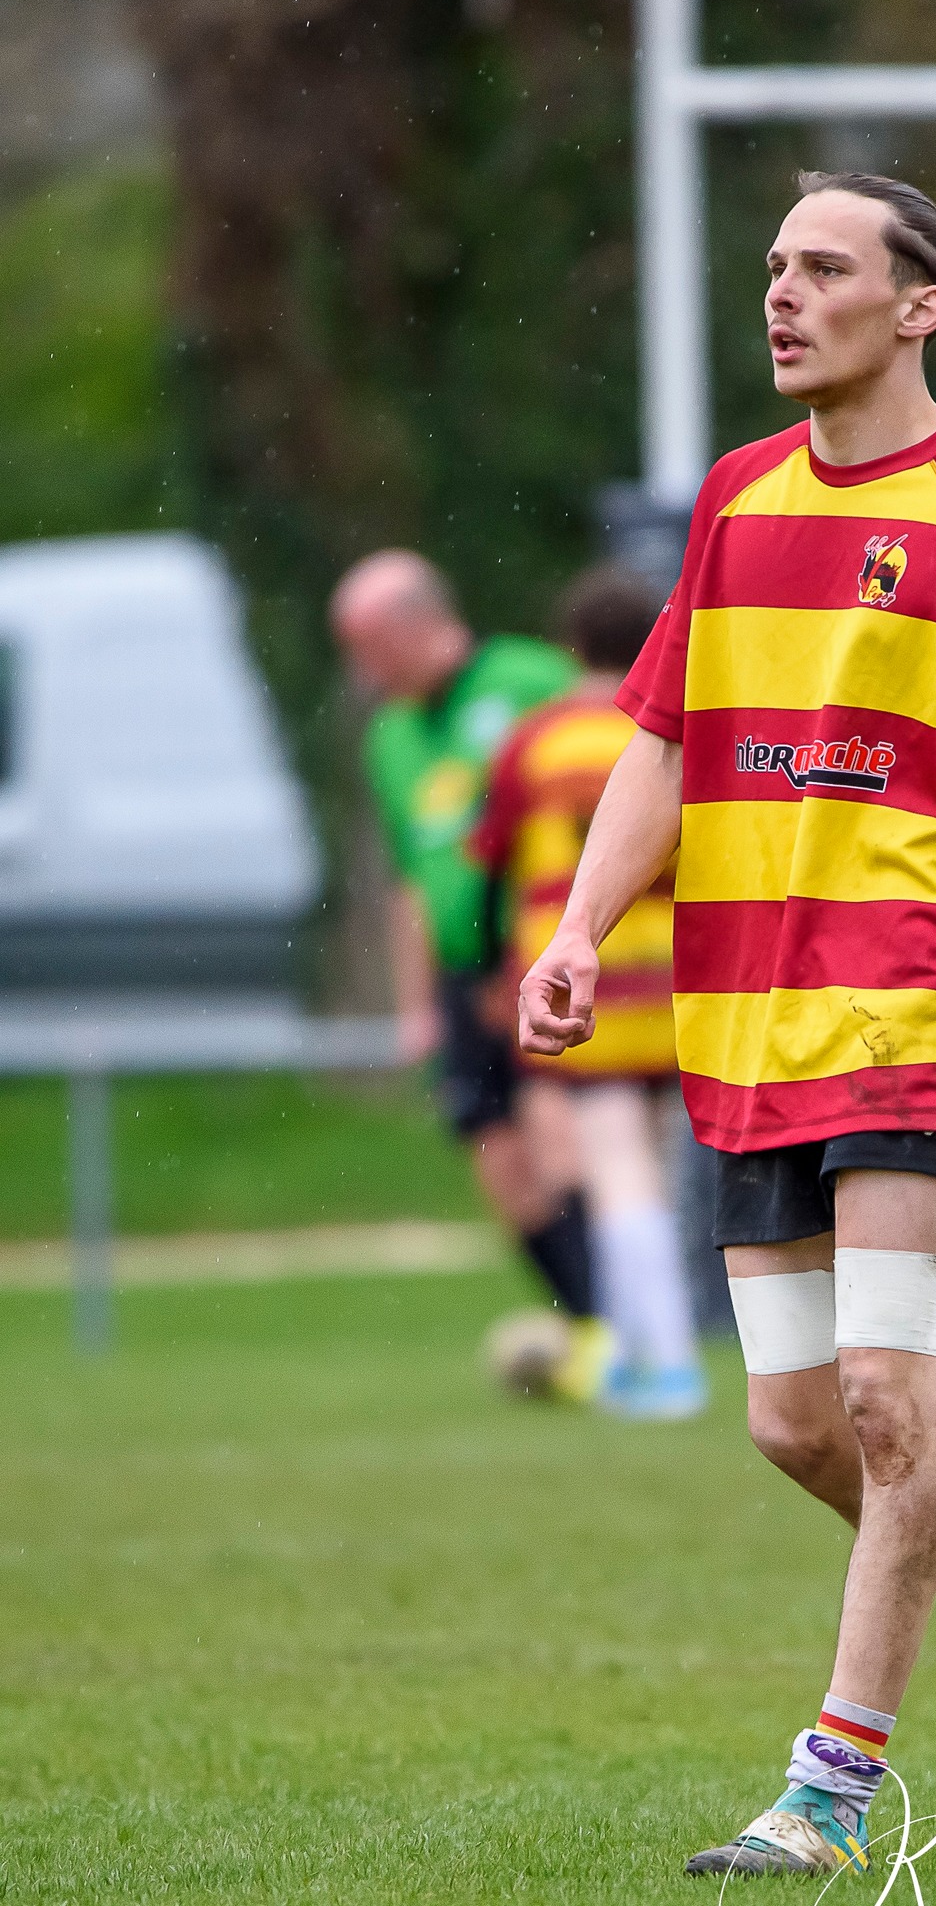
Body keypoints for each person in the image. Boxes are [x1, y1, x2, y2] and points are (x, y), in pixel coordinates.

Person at [518, 170, 936, 1873]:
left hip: (918, 1008)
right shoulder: (735, 501)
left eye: (822, 267)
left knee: (890, 1403)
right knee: (797, 1425)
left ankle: (825, 1790)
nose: (782, 292)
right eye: (770, 266)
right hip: (747, 1022)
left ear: (918, 304)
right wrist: (582, 924)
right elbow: (662, 739)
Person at [330, 551, 598, 1362]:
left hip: (538, 956)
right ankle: (592, 1319)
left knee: (563, 1136)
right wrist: (418, 1008)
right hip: (462, 973)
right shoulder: (390, 735)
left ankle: (628, 1325)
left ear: (415, 625)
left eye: (366, 646)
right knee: (498, 1157)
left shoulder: (530, 678)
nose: (360, 668)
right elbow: (413, 884)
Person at [473, 567, 707, 1419]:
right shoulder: (672, 736)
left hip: (587, 986)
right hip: (679, 982)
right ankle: (646, 1351)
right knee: (659, 1168)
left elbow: (485, 867)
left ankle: (661, 1361)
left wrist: (486, 973)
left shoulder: (535, 741)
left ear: (569, 647)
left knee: (616, 1176)